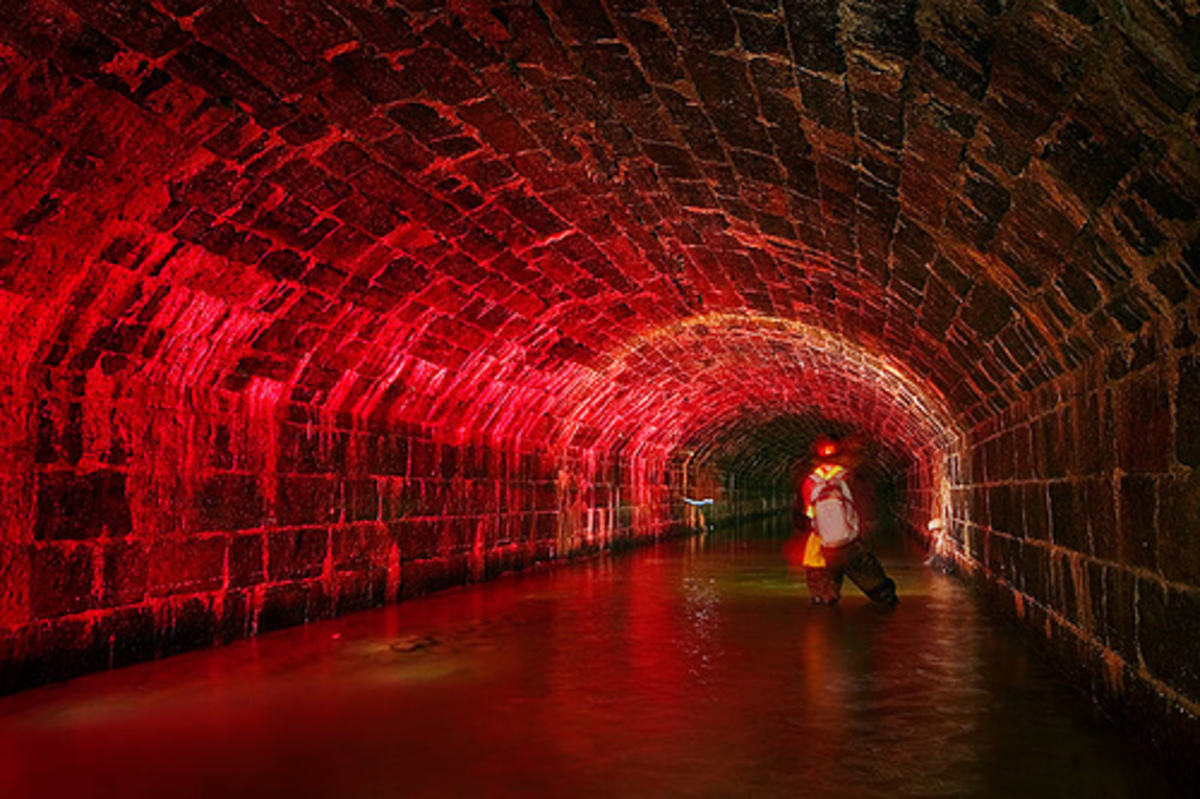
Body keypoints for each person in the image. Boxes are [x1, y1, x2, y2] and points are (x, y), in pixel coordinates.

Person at [798, 437, 897, 606]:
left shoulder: (809, 482)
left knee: (823, 600)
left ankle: (827, 622)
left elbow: (804, 516)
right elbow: (867, 507)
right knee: (883, 595)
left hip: (823, 547)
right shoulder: (848, 477)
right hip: (851, 545)